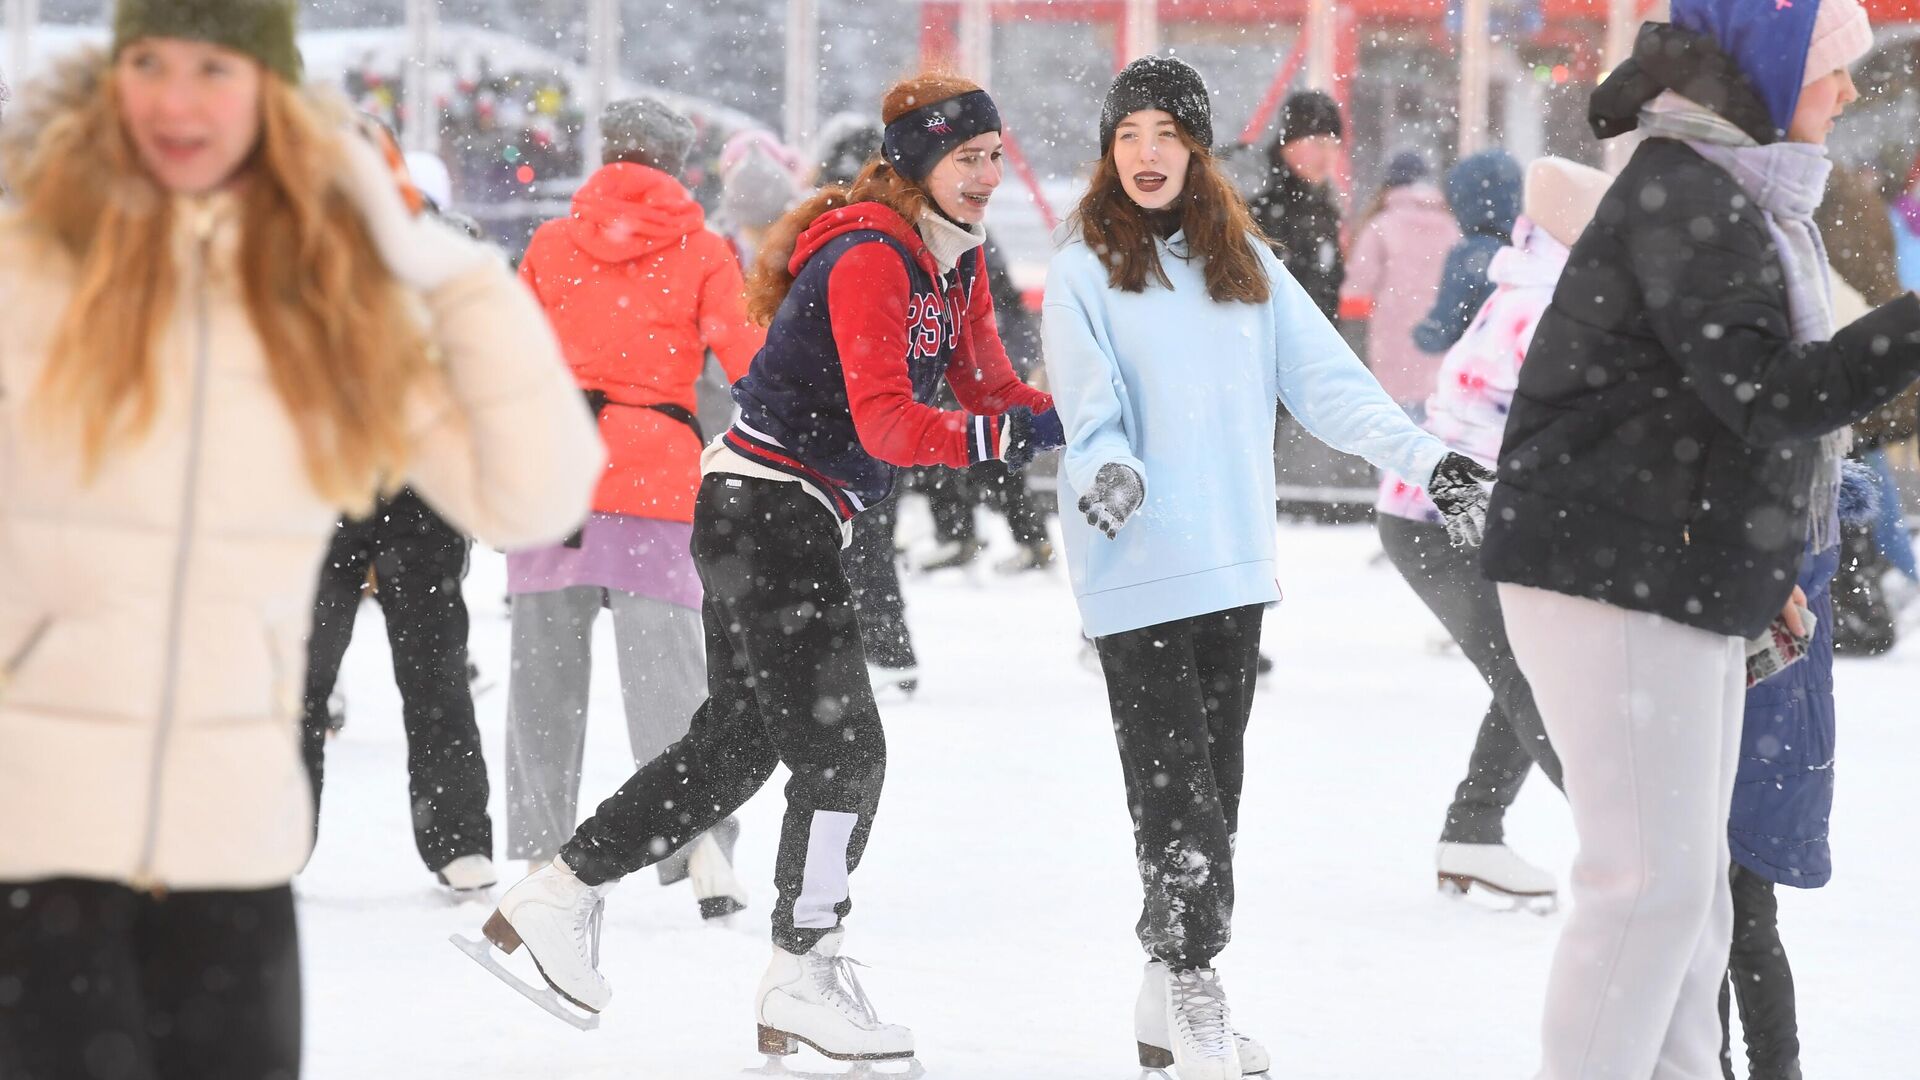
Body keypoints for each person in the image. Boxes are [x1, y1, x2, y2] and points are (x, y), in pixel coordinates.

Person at [0, 1, 603, 1074]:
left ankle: (453, 839)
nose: (178, 99)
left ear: (276, 101)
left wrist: (429, 257)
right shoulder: (27, 267)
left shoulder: (328, 306)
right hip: (39, 841)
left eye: (215, 69)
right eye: (149, 63)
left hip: (230, 855)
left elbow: (532, 495)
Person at [478, 72, 1062, 1064]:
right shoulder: (874, 254)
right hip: (765, 510)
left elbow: (985, 383)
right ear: (919, 162)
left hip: (774, 513)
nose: (988, 176)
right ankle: (804, 967)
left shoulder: (952, 263)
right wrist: (1017, 438)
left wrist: (1065, 414)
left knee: (738, 747)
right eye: (968, 158)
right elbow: (888, 421)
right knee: (847, 754)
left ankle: (559, 891)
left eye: (996, 157)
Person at [1480, 2, 1920, 1075]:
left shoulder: (1732, 191)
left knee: (1690, 903)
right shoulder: (1691, 188)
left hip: (1667, 560)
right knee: (1648, 890)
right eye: (1835, 70)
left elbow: (1703, 404)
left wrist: (1753, 560)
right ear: (1772, 72)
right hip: (1610, 566)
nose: (1850, 94)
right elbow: (1768, 390)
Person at [1043, 56, 1491, 1080]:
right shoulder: (1084, 267)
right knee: (1174, 796)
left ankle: (1167, 987)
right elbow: (1090, 406)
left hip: (1234, 568)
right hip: (1136, 566)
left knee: (1217, 790)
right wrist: (1110, 470)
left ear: (1198, 148)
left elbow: (1330, 384)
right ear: (1109, 155)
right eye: (1128, 136)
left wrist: (1429, 460)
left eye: (1166, 134)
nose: (1147, 154)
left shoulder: (1243, 260)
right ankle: (1198, 989)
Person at [506, 96, 765, 920]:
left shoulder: (550, 243)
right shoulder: (702, 248)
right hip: (654, 477)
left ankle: (543, 847)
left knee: (543, 681)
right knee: (672, 682)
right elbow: (747, 357)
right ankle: (701, 850)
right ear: (678, 162)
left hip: (557, 474)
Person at [1376, 157, 1611, 906]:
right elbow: (1566, 436)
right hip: (1444, 514)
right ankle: (1623, 841)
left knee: (1532, 665)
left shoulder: (1547, 288)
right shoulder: (1549, 305)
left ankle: (1474, 833)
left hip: (1459, 508)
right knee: (1535, 671)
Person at [1340, 150, 1460, 406]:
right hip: (1440, 362)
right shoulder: (1452, 226)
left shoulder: (1380, 226)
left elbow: (1355, 290)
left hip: (1392, 359)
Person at [1412, 149, 1522, 356]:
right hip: (1520, 366)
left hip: (1480, 369)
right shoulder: (1529, 248)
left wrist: (1423, 334)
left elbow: (1445, 326)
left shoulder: (1471, 254)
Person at [1247, 89, 1344, 320]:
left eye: (1334, 145)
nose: (1328, 155)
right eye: (1319, 143)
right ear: (1288, 142)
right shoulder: (1255, 201)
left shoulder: (1324, 208)